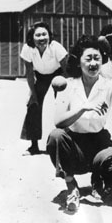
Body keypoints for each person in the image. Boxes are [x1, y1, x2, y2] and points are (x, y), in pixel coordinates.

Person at [46, 35, 112, 212]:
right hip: (74, 146)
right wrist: (83, 108)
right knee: (55, 137)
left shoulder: (108, 84)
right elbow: (58, 122)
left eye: (97, 58)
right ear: (79, 61)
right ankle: (72, 186)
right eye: (88, 58)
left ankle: (99, 181)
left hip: (99, 142)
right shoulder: (68, 85)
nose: (93, 63)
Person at [20, 22, 67, 155]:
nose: (42, 38)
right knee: (32, 105)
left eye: (44, 34)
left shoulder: (56, 47)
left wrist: (67, 91)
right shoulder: (27, 49)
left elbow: (66, 69)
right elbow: (29, 73)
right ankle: (33, 146)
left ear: (49, 35)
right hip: (40, 76)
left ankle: (66, 144)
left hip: (58, 74)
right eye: (38, 35)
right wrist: (33, 94)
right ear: (32, 37)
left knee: (64, 106)